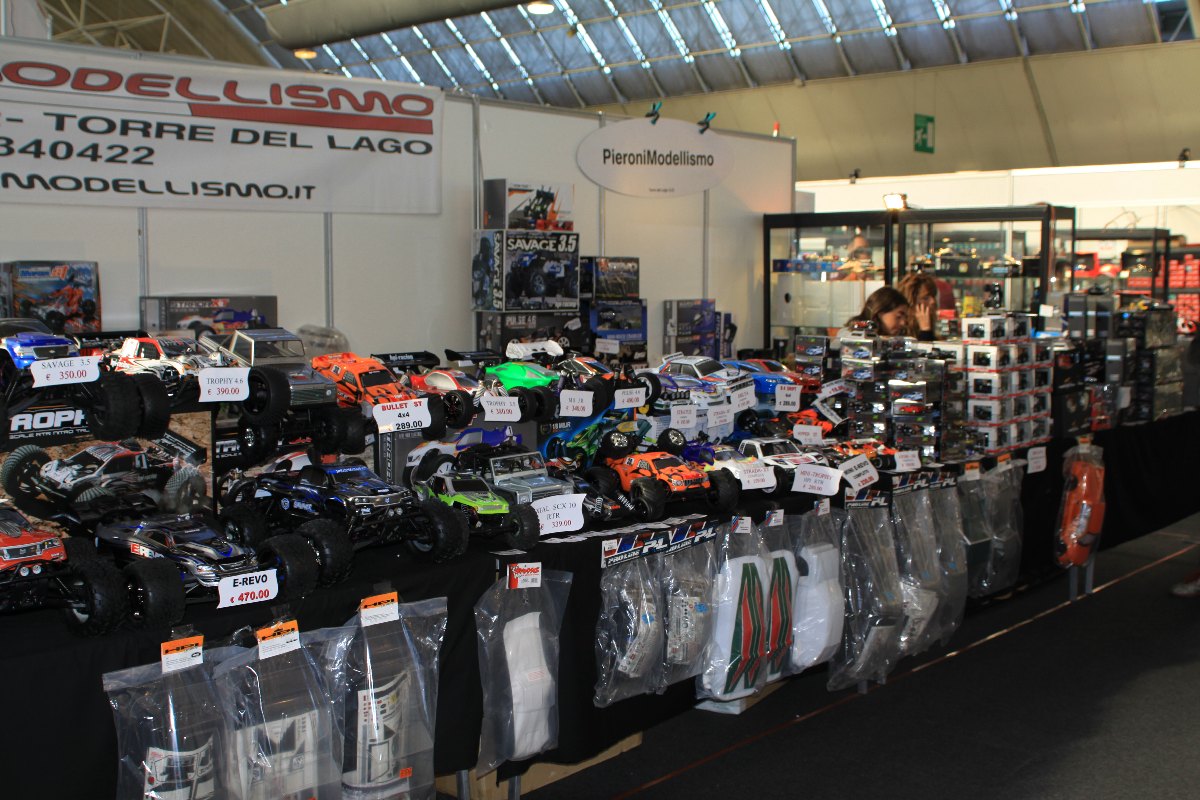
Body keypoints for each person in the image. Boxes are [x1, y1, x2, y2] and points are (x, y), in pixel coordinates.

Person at [834, 286, 915, 346]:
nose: (903, 323)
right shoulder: (851, 335)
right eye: (898, 317)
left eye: (905, 318)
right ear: (880, 313)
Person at [897, 272, 940, 341]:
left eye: (933, 296)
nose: (933, 301)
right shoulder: (899, 328)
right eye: (926, 298)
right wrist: (925, 330)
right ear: (911, 301)